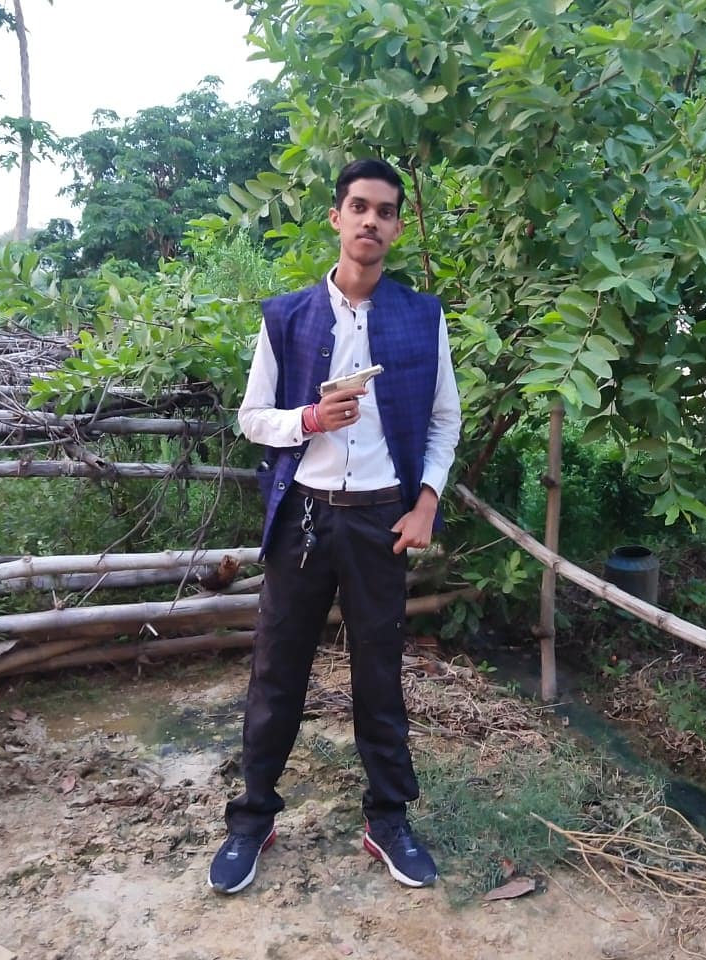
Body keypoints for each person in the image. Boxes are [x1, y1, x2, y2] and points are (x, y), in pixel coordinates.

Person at [208, 158, 461, 895]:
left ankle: (389, 819)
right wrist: (311, 420)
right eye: (359, 207)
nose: (370, 221)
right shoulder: (286, 316)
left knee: (379, 675)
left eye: (385, 211)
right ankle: (252, 818)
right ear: (336, 217)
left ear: (397, 227)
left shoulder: (422, 316)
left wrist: (426, 503)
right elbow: (252, 418)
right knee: (276, 673)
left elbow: (444, 421)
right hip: (306, 518)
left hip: (383, 518)